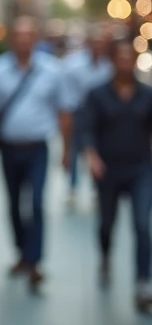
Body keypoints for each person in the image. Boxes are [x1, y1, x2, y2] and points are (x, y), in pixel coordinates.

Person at [0, 16, 75, 293]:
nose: (23, 41)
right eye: (18, 35)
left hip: (37, 148)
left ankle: (35, 261)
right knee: (12, 203)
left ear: (35, 39)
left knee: (35, 203)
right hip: (9, 148)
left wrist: (67, 150)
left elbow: (64, 111)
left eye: (27, 36)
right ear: (12, 39)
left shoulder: (51, 70)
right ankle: (22, 252)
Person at [79, 41, 152, 312]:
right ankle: (106, 257)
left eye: (128, 58)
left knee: (142, 225)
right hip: (108, 168)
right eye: (119, 58)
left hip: (141, 168)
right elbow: (86, 128)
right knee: (107, 223)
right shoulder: (98, 95)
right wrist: (92, 156)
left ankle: (143, 282)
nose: (124, 63)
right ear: (112, 62)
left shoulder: (146, 94)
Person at [62, 26, 114, 208]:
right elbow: (67, 95)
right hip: (79, 113)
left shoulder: (109, 66)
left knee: (98, 150)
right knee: (75, 151)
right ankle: (72, 188)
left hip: (101, 116)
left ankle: (96, 187)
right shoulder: (73, 65)